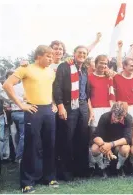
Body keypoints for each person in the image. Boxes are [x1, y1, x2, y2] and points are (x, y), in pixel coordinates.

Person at [3, 45, 58, 193]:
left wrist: (53, 103)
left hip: (48, 110)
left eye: (52, 57)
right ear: (39, 56)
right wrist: (21, 104)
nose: (51, 59)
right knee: (32, 145)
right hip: (33, 110)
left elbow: (49, 89)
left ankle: (49, 177)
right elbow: (7, 85)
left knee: (49, 145)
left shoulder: (51, 72)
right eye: (48, 56)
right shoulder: (25, 68)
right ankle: (27, 182)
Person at [53, 45, 93, 181]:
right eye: (79, 52)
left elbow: (86, 93)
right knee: (66, 139)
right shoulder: (64, 66)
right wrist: (60, 106)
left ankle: (80, 170)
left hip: (82, 106)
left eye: (84, 53)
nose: (82, 54)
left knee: (82, 138)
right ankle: (66, 173)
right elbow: (57, 87)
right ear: (74, 53)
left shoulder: (85, 69)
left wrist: (89, 109)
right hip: (68, 105)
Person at [89, 102, 132, 178]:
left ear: (124, 115)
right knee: (94, 148)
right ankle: (101, 168)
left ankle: (119, 168)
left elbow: (127, 139)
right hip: (104, 142)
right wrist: (104, 146)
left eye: (119, 118)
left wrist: (111, 144)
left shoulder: (128, 118)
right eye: (114, 116)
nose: (116, 119)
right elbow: (95, 136)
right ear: (112, 111)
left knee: (126, 148)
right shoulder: (104, 117)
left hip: (118, 144)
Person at [88, 55, 115, 130]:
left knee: (107, 136)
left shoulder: (109, 78)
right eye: (101, 63)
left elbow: (111, 96)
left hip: (107, 110)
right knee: (94, 134)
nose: (103, 65)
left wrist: (112, 112)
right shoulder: (89, 77)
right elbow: (87, 97)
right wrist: (91, 111)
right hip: (94, 110)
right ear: (96, 64)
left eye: (105, 64)